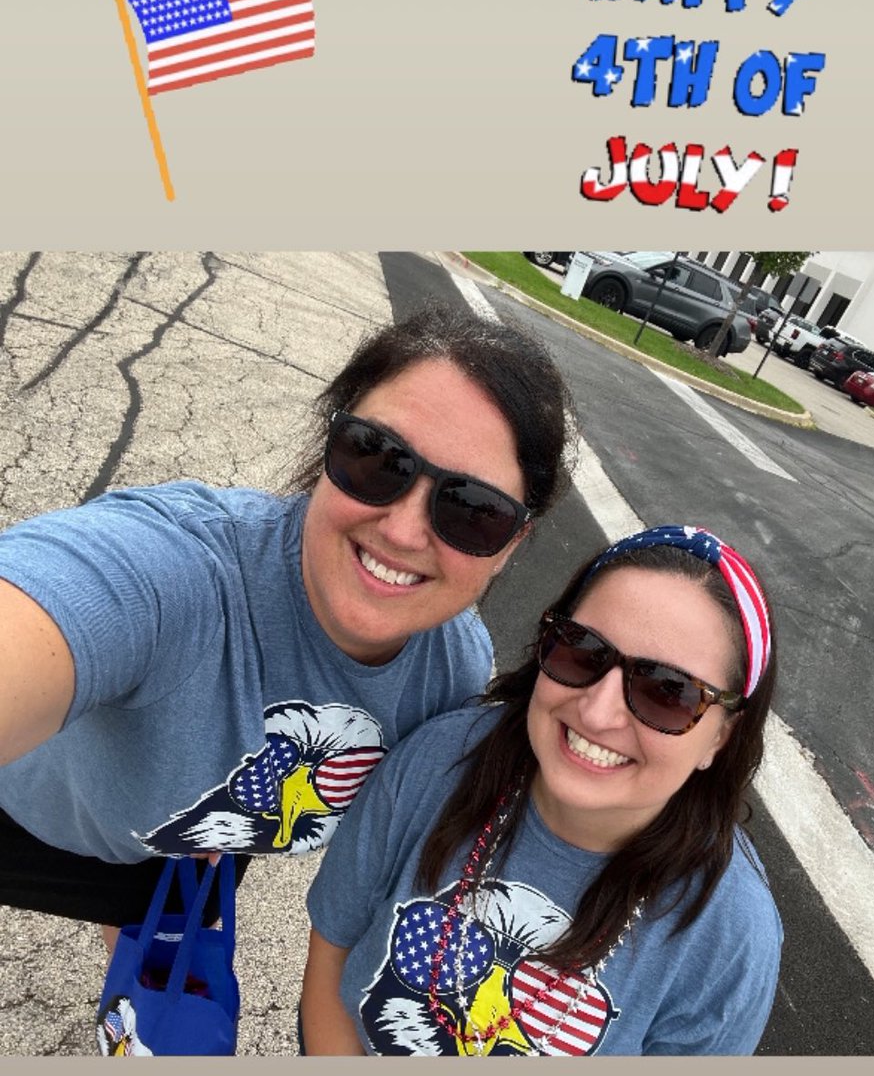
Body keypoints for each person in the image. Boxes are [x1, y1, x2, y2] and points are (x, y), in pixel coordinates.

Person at [0, 305, 574, 934]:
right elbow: (60, 600)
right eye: (378, 457)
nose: (404, 531)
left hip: (180, 854)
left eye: (474, 509)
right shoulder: (182, 571)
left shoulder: (454, 667)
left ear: (514, 543)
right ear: (330, 443)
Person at [302, 524, 782, 1057]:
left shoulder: (730, 933)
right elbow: (332, 953)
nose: (598, 713)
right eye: (582, 650)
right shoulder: (439, 761)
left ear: (722, 735)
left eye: (667, 691)